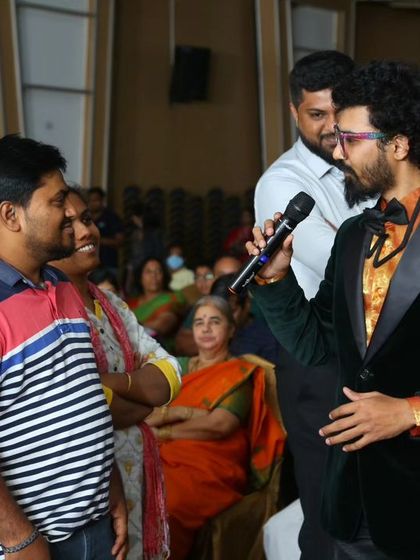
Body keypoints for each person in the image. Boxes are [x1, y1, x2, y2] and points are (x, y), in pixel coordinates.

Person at [248, 60, 420, 559]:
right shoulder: (354, 235)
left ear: (398, 144)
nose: (338, 151)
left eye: (351, 138)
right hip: (356, 492)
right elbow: (317, 344)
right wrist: (275, 279)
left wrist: (408, 410)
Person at [253, 50, 374, 560]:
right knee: (330, 508)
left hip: (376, 349)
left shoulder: (372, 163)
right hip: (318, 352)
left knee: (376, 507)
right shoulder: (282, 183)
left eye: (338, 113)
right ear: (293, 111)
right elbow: (350, 267)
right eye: (316, 114)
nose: (330, 128)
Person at [0, 135, 126, 560]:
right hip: (34, 542)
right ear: (11, 215)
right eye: (57, 203)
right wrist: (18, 538)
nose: (70, 215)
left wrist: (110, 485)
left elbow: (81, 397)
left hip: (95, 524)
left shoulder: (62, 287)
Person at [51, 188, 182, 560]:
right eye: (68, 224)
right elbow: (81, 403)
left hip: (135, 473)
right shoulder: (46, 311)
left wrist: (112, 384)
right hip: (86, 485)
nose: (85, 232)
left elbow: (170, 375)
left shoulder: (111, 304)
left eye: (87, 219)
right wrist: (139, 400)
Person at [146, 295, 286, 560]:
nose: (206, 328)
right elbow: (146, 410)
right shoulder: (177, 367)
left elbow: (221, 424)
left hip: (210, 464)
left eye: (215, 321)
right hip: (162, 453)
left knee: (168, 505)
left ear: (231, 330)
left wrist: (167, 424)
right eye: (199, 322)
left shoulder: (239, 372)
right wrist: (176, 417)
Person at [174, 256, 241, 356]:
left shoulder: (255, 303)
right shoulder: (204, 304)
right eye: (198, 277)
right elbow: (181, 342)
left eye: (208, 276)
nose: (227, 281)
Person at [128, 257, 186, 351]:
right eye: (148, 272)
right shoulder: (130, 304)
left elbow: (163, 325)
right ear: (140, 277)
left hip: (162, 350)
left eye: (158, 271)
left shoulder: (173, 298)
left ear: (164, 275)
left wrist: (130, 328)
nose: (154, 276)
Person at [87, 186, 124, 275]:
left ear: (102, 200)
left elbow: (120, 241)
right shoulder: (85, 218)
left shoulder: (111, 217)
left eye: (95, 200)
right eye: (90, 200)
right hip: (89, 266)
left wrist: (99, 240)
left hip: (109, 265)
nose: (92, 203)